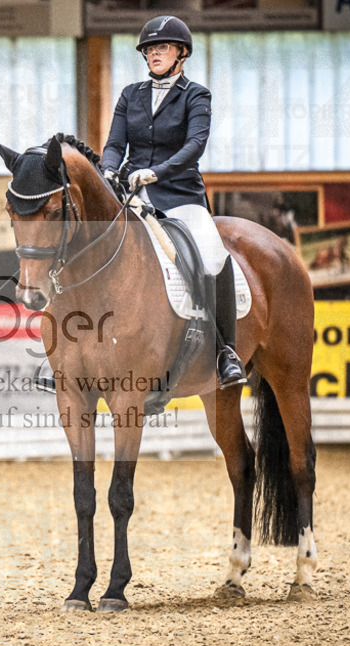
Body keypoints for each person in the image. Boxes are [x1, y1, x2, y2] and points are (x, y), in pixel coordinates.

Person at [101, 15, 247, 389]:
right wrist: (108, 171)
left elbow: (194, 146)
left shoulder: (196, 95)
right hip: (133, 195)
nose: (154, 54)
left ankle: (225, 350)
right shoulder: (130, 95)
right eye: (149, 49)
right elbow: (117, 143)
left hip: (180, 194)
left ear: (182, 53)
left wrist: (157, 172)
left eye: (162, 47)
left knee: (214, 254)